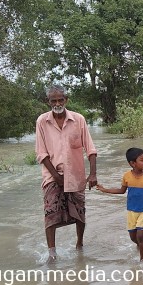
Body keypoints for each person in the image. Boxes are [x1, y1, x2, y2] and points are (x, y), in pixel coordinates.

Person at [35, 85, 97, 262]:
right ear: (48, 102)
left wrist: (93, 174)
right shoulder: (42, 121)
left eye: (60, 100)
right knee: (50, 212)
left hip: (76, 174)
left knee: (80, 212)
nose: (57, 103)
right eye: (53, 101)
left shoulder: (78, 120)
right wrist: (56, 177)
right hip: (51, 174)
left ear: (66, 100)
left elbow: (90, 149)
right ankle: (52, 253)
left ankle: (79, 244)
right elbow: (41, 153)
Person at [96, 147, 143, 261]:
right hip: (131, 210)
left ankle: (142, 260)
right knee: (133, 237)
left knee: (141, 235)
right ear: (133, 163)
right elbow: (121, 191)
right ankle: (140, 245)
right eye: (142, 160)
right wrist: (104, 189)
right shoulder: (127, 176)